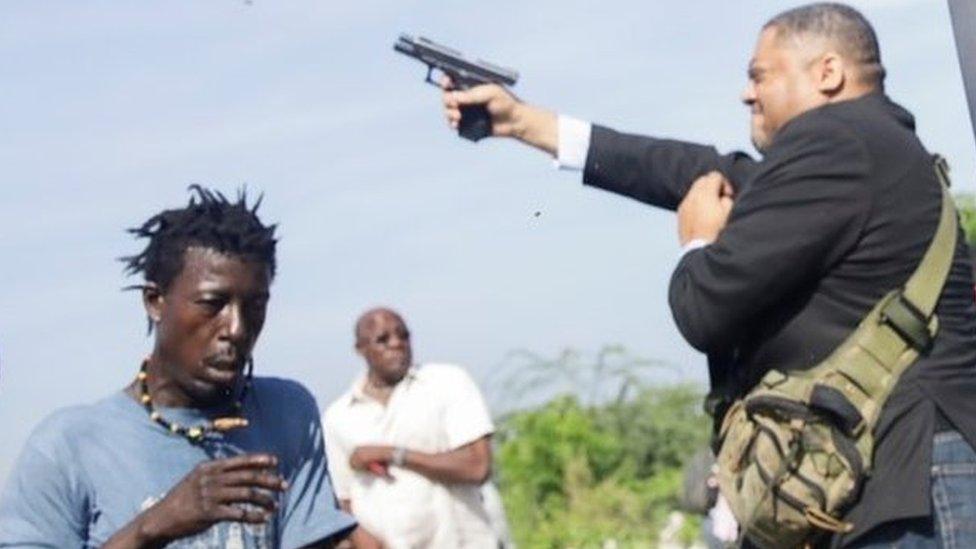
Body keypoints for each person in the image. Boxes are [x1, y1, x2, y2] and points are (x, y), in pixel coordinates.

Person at [439, 3, 976, 547]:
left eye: (758, 75)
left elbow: (706, 309)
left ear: (828, 73)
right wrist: (524, 122)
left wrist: (696, 241)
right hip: (908, 476)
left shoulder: (834, 144)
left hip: (908, 483)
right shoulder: (869, 149)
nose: (747, 93)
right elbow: (701, 170)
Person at [0, 187, 356, 548]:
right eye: (212, 303)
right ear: (155, 302)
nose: (236, 328)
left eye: (254, 305)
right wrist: (154, 526)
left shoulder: (286, 413)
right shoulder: (68, 445)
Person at [323, 308, 501, 548]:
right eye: (383, 339)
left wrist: (392, 454)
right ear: (361, 349)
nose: (397, 344)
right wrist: (368, 543)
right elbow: (341, 501)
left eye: (403, 335)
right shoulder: (338, 417)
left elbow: (477, 466)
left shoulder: (447, 383)